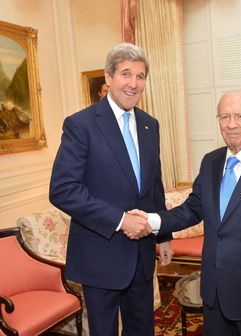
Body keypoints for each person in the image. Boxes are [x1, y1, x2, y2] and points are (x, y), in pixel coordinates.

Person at [129, 91, 241, 336]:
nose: (231, 124)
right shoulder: (210, 162)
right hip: (213, 292)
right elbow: (193, 209)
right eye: (225, 116)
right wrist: (151, 220)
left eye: (240, 116)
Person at [49, 42, 173, 336]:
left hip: (142, 256)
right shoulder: (81, 124)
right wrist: (120, 220)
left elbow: (154, 186)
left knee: (142, 330)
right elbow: (63, 189)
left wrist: (164, 235)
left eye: (140, 76)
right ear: (108, 77)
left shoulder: (149, 125)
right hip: (100, 254)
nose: (133, 84)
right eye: (126, 74)